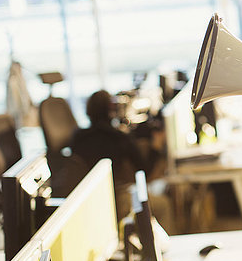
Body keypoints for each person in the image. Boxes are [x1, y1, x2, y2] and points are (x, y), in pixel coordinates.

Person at [70, 90, 173, 232]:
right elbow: (144, 172)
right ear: (111, 110)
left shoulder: (77, 137)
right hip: (117, 198)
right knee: (163, 205)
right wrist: (155, 146)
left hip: (88, 201)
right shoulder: (119, 138)